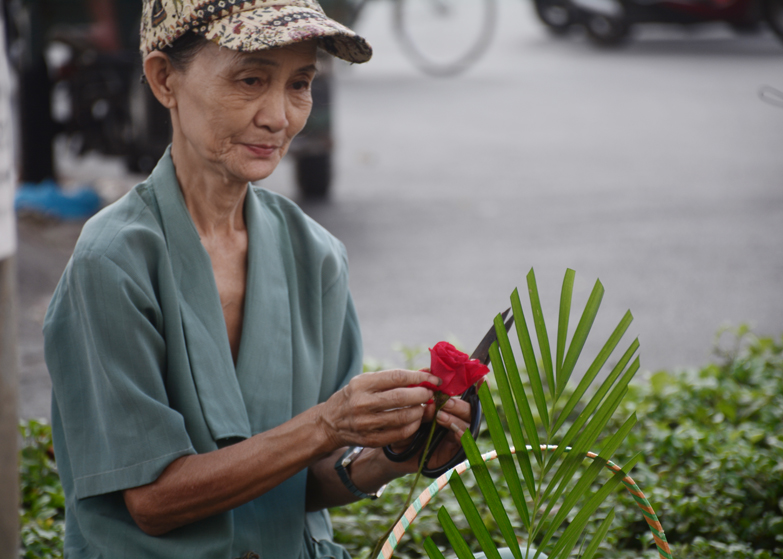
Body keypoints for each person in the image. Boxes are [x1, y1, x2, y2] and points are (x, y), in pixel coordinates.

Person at [42, 1, 474, 558]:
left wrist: (390, 458)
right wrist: (327, 423)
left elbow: (303, 481)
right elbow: (153, 501)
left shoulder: (315, 255)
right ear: (164, 79)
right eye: (250, 80)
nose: (279, 116)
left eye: (300, 84)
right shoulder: (114, 262)